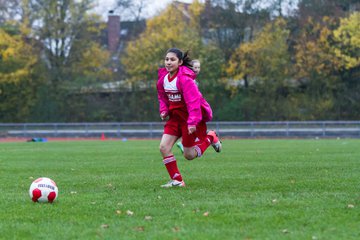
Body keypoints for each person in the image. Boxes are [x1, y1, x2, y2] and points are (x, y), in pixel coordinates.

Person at [157, 48, 222, 188]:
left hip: (189, 120)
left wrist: (192, 122)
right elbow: (162, 97)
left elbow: (194, 103)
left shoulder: (185, 80)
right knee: (163, 147)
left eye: (172, 60)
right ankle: (178, 181)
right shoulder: (163, 79)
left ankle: (211, 137)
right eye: (167, 59)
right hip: (175, 119)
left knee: (189, 155)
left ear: (180, 62)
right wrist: (163, 110)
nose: (168, 62)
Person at [176, 59, 201, 153]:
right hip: (188, 108)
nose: (197, 69)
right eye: (195, 67)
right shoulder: (188, 79)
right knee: (195, 126)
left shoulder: (194, 80)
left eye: (199, 67)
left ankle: (185, 142)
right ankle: (184, 143)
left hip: (192, 107)